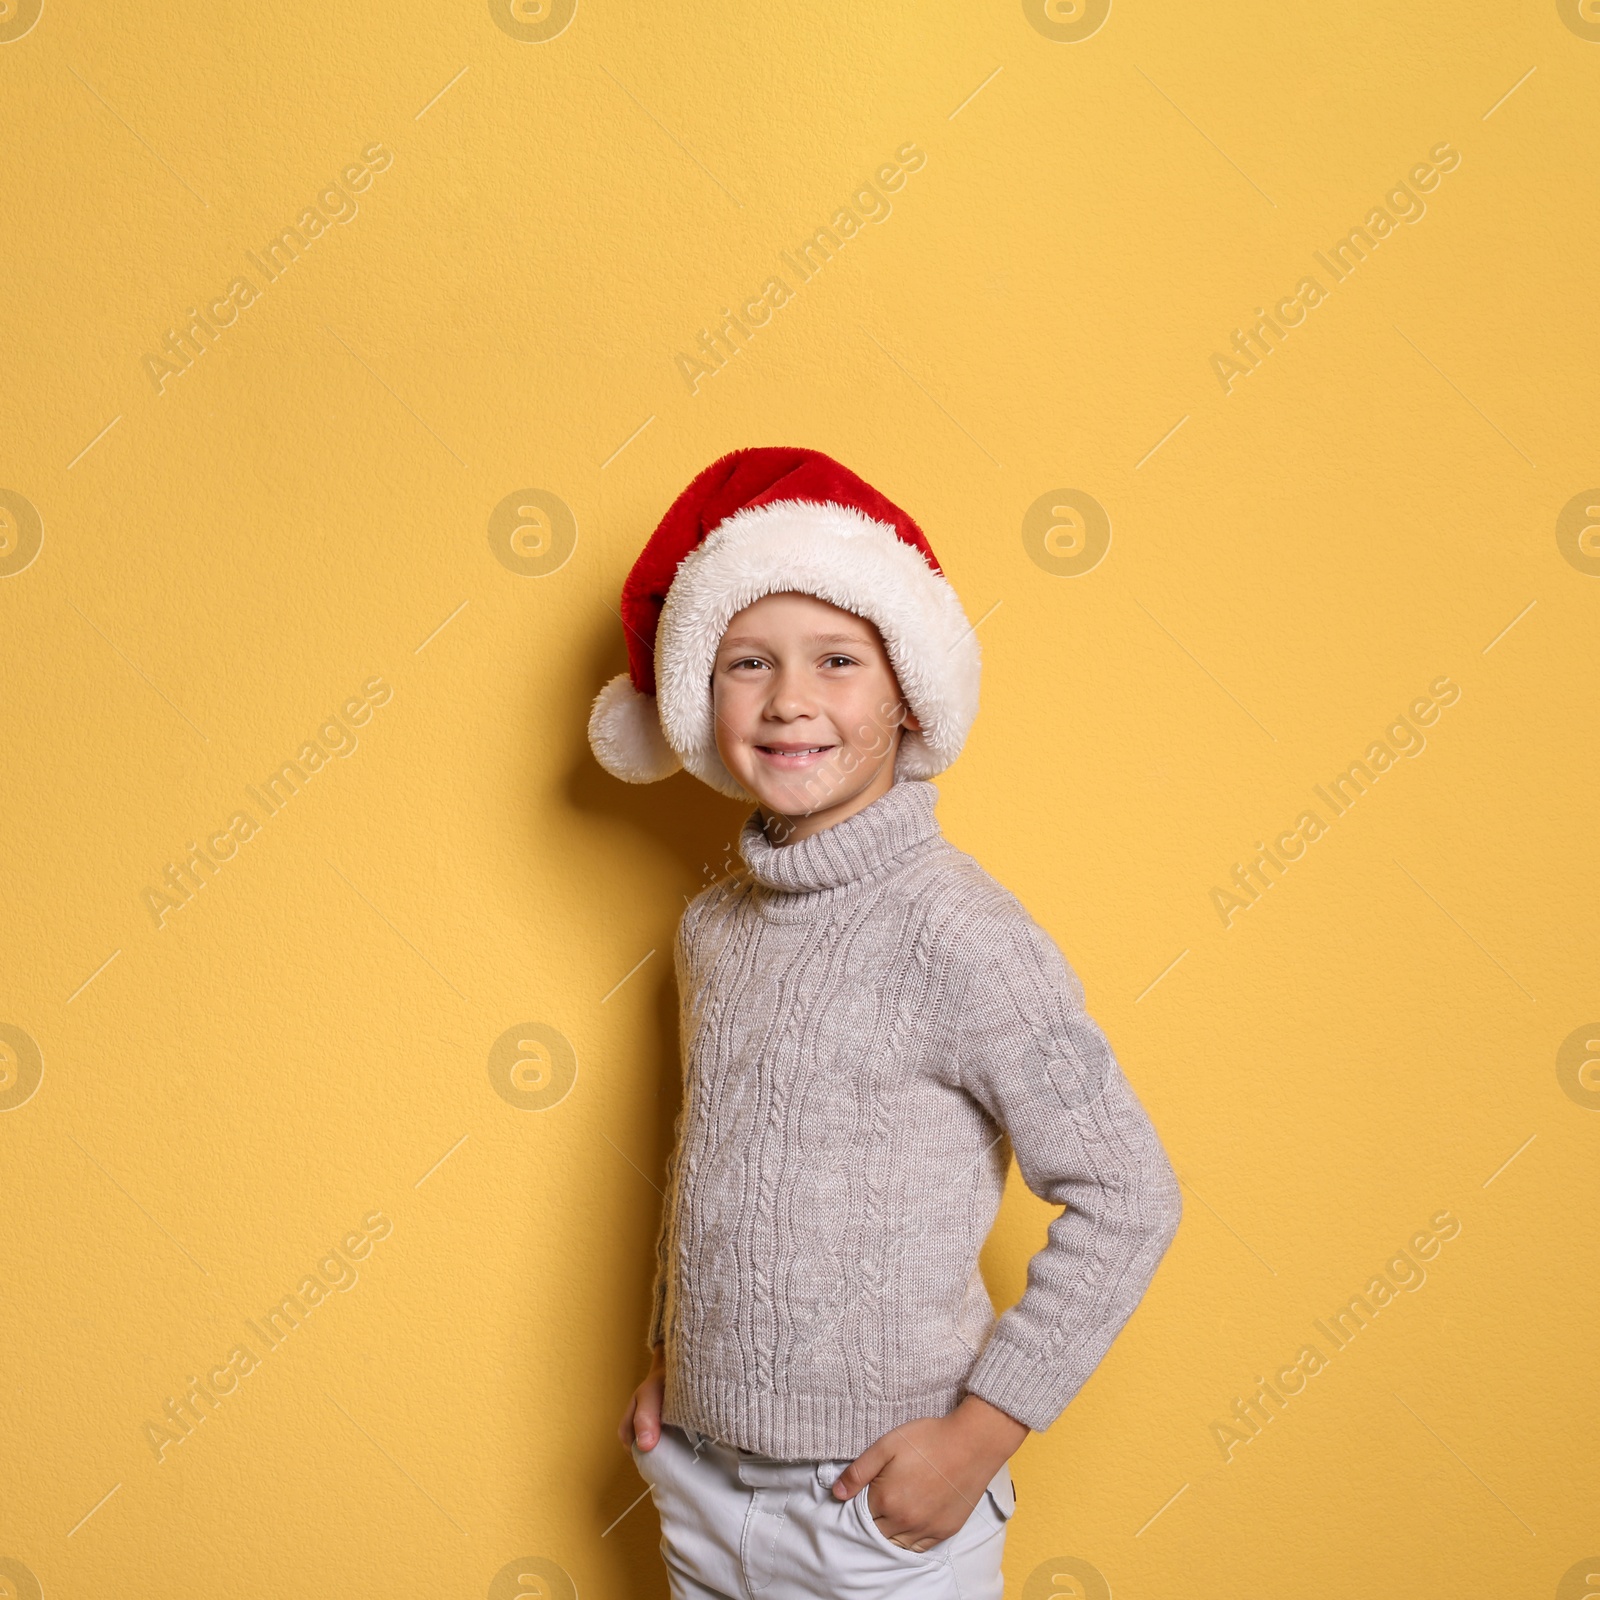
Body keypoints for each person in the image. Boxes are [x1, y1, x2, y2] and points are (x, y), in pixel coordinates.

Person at [588, 446, 1182, 1599]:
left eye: (837, 661)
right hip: (701, 1485)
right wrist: (679, 1355)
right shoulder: (713, 926)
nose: (789, 700)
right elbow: (720, 1162)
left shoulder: (961, 931)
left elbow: (1129, 1190)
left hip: (876, 1509)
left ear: (907, 689)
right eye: (747, 660)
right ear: (697, 693)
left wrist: (980, 1436)